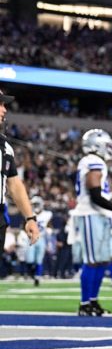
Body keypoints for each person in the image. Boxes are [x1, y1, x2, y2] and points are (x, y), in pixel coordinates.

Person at [72, 129, 112, 316]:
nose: (109, 149)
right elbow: (95, 195)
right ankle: (85, 305)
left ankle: (93, 301)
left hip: (99, 215)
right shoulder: (93, 161)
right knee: (92, 261)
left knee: (102, 261)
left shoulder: (95, 162)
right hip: (90, 213)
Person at [0, 89, 40, 254]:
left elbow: (15, 184)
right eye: (0, 104)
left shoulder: (5, 147)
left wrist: (30, 218)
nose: (4, 109)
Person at [25, 196, 52, 286]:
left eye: (36, 204)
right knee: (30, 260)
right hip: (31, 238)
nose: (35, 206)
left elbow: (49, 225)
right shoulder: (30, 214)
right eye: (34, 204)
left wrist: (49, 231)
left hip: (42, 238)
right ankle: (33, 273)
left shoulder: (47, 214)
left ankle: (37, 277)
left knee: (39, 260)